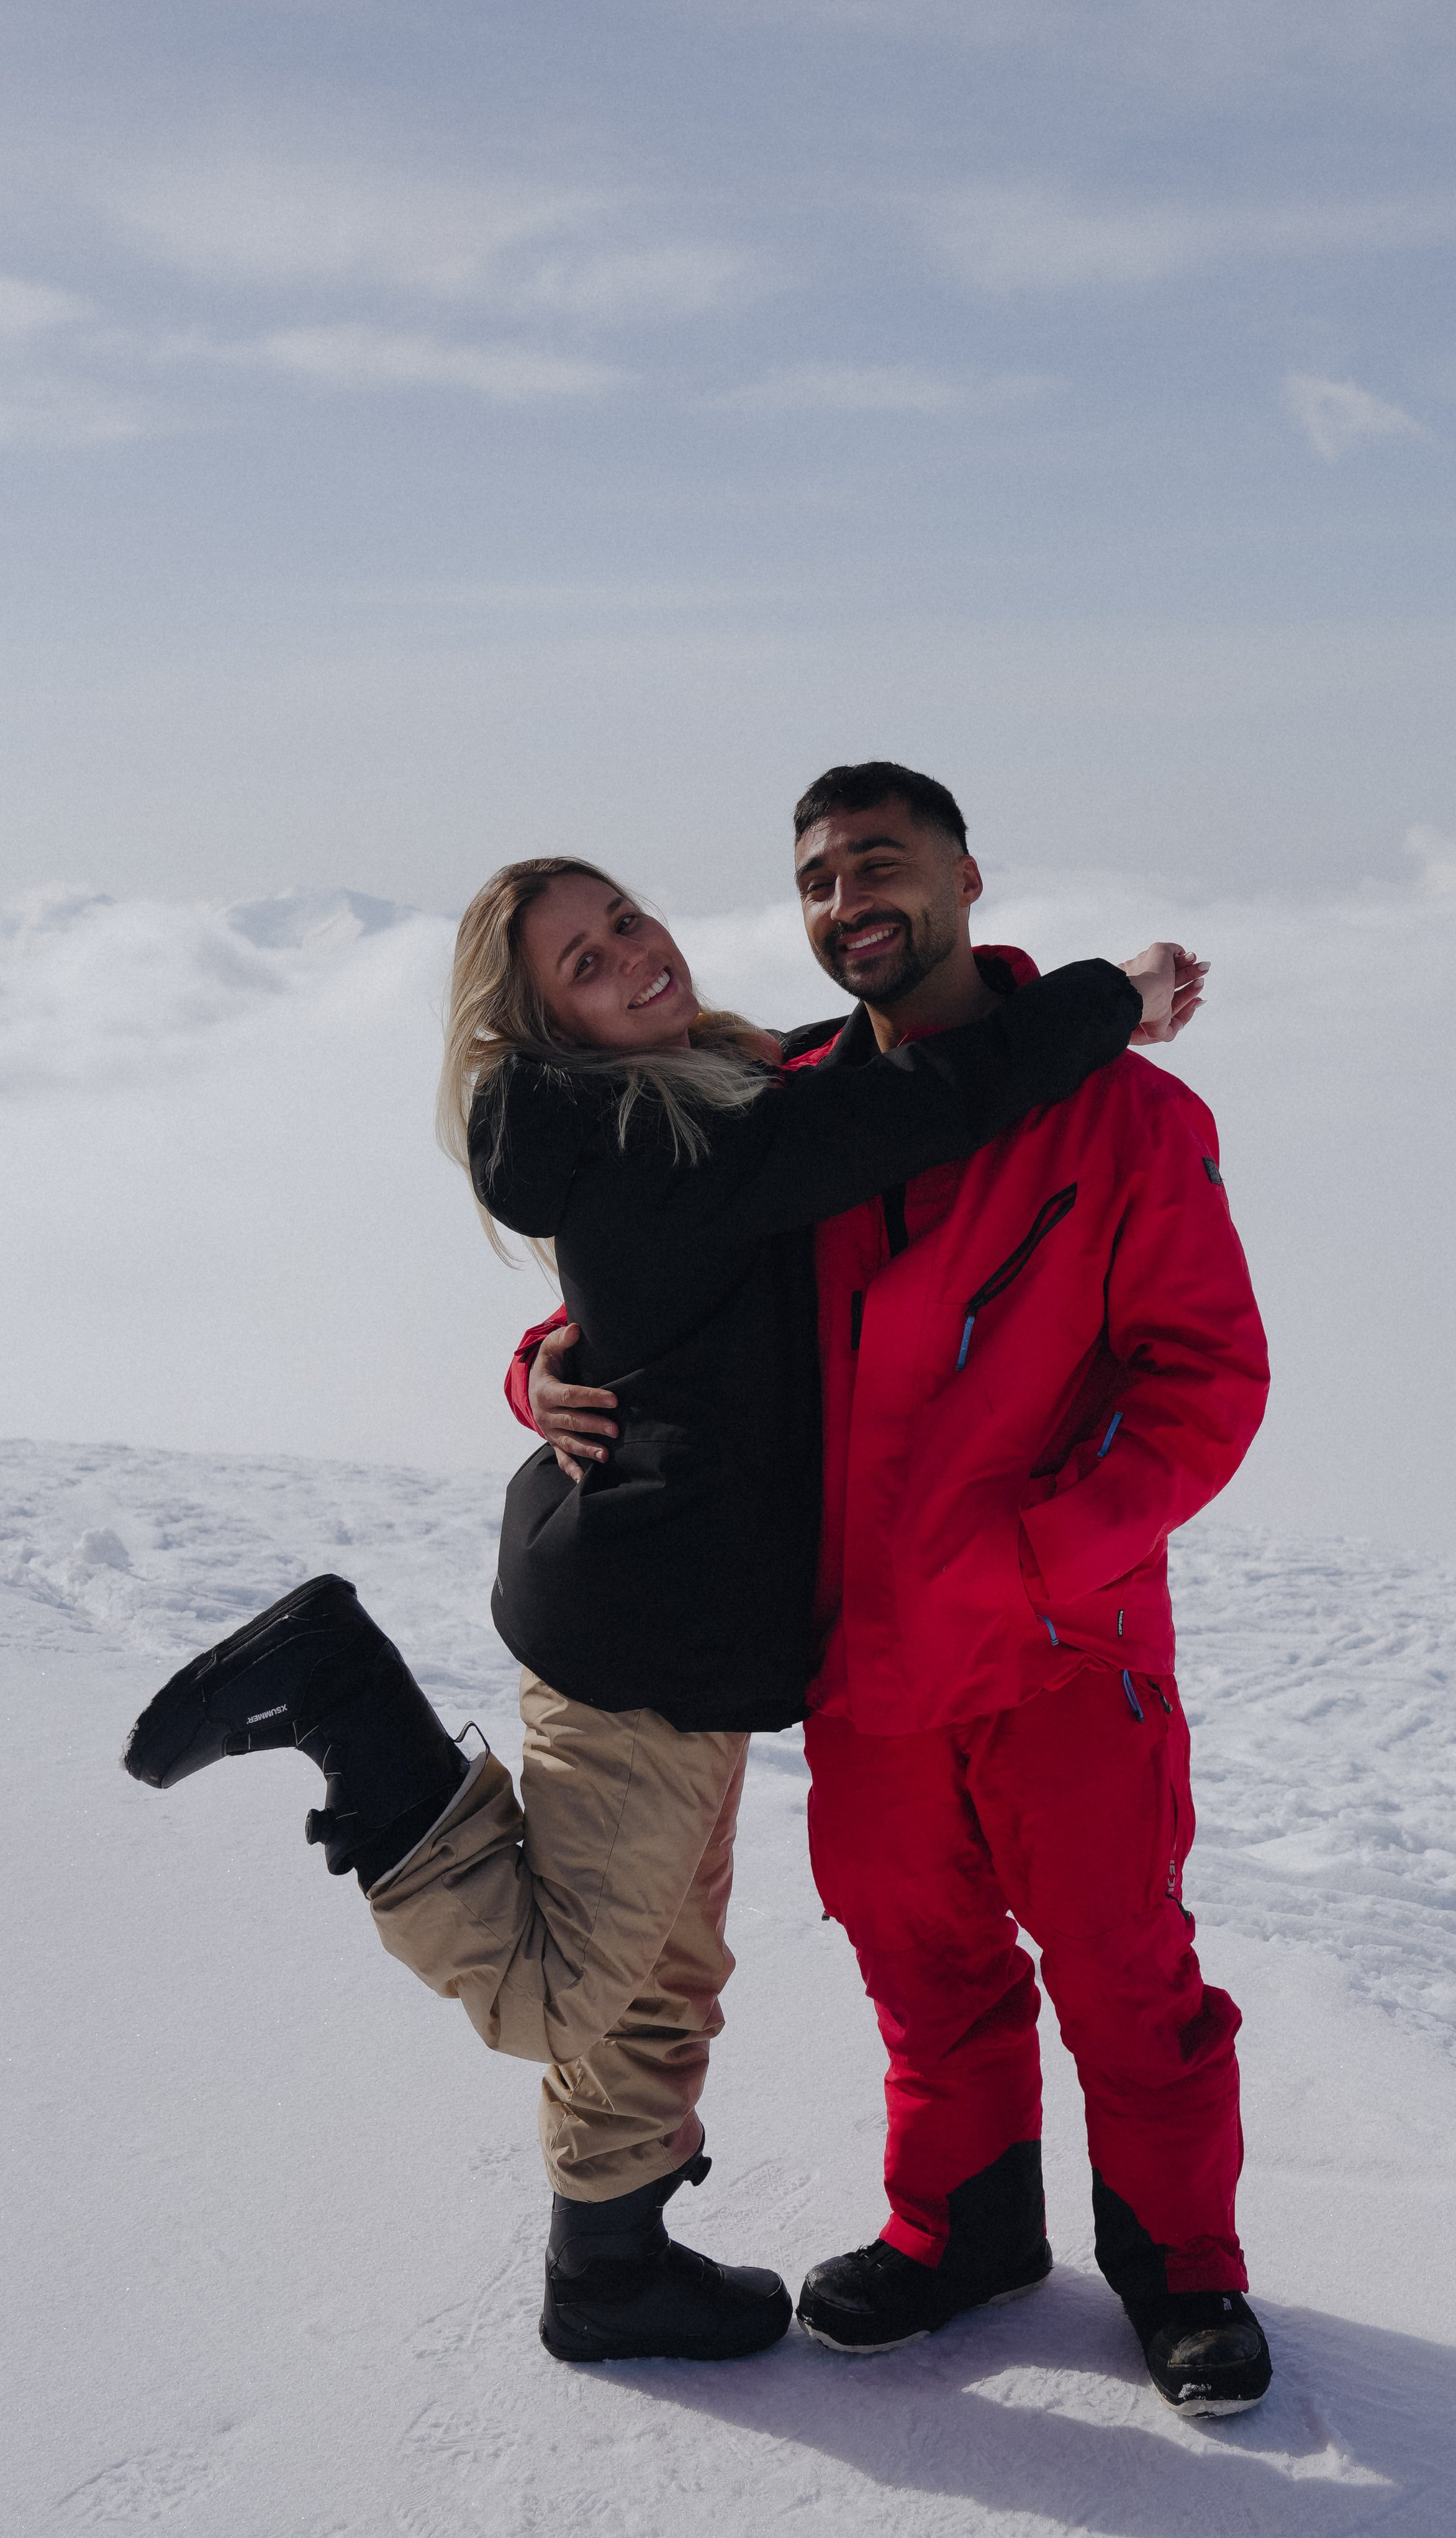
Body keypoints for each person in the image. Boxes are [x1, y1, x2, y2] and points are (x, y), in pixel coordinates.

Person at [122, 850, 1193, 2369]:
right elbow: (918, 1106)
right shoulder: (669, 1138)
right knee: (561, 1994)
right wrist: (1116, 996)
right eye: (581, 960)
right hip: (646, 1636)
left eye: (623, 918)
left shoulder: (705, 1088)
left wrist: (538, 1361)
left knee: (659, 1975)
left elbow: (671, 1279)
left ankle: (611, 2267)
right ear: (544, 1026)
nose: (630, 953)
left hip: (678, 1615)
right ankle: (346, 1705)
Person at [516, 767, 1272, 2414]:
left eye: (879, 861)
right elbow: (650, 1281)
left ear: (964, 876)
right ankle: (960, 2236)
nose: (845, 895)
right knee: (918, 1966)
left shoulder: (1130, 1120)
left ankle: (1183, 2274)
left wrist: (1034, 1558)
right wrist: (547, 1366)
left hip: (1060, 1652)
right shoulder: (770, 1105)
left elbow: (1203, 1386)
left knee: (1121, 1975)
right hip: (857, 1663)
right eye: (813, 876)